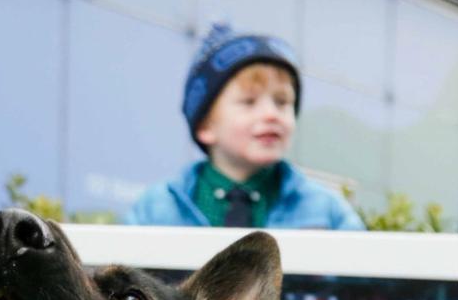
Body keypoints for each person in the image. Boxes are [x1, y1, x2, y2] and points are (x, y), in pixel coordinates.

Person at [123, 23, 364, 230]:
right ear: (205, 126)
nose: (271, 114)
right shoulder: (154, 208)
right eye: (249, 102)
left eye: (282, 102)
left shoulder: (327, 210)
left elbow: (369, 280)